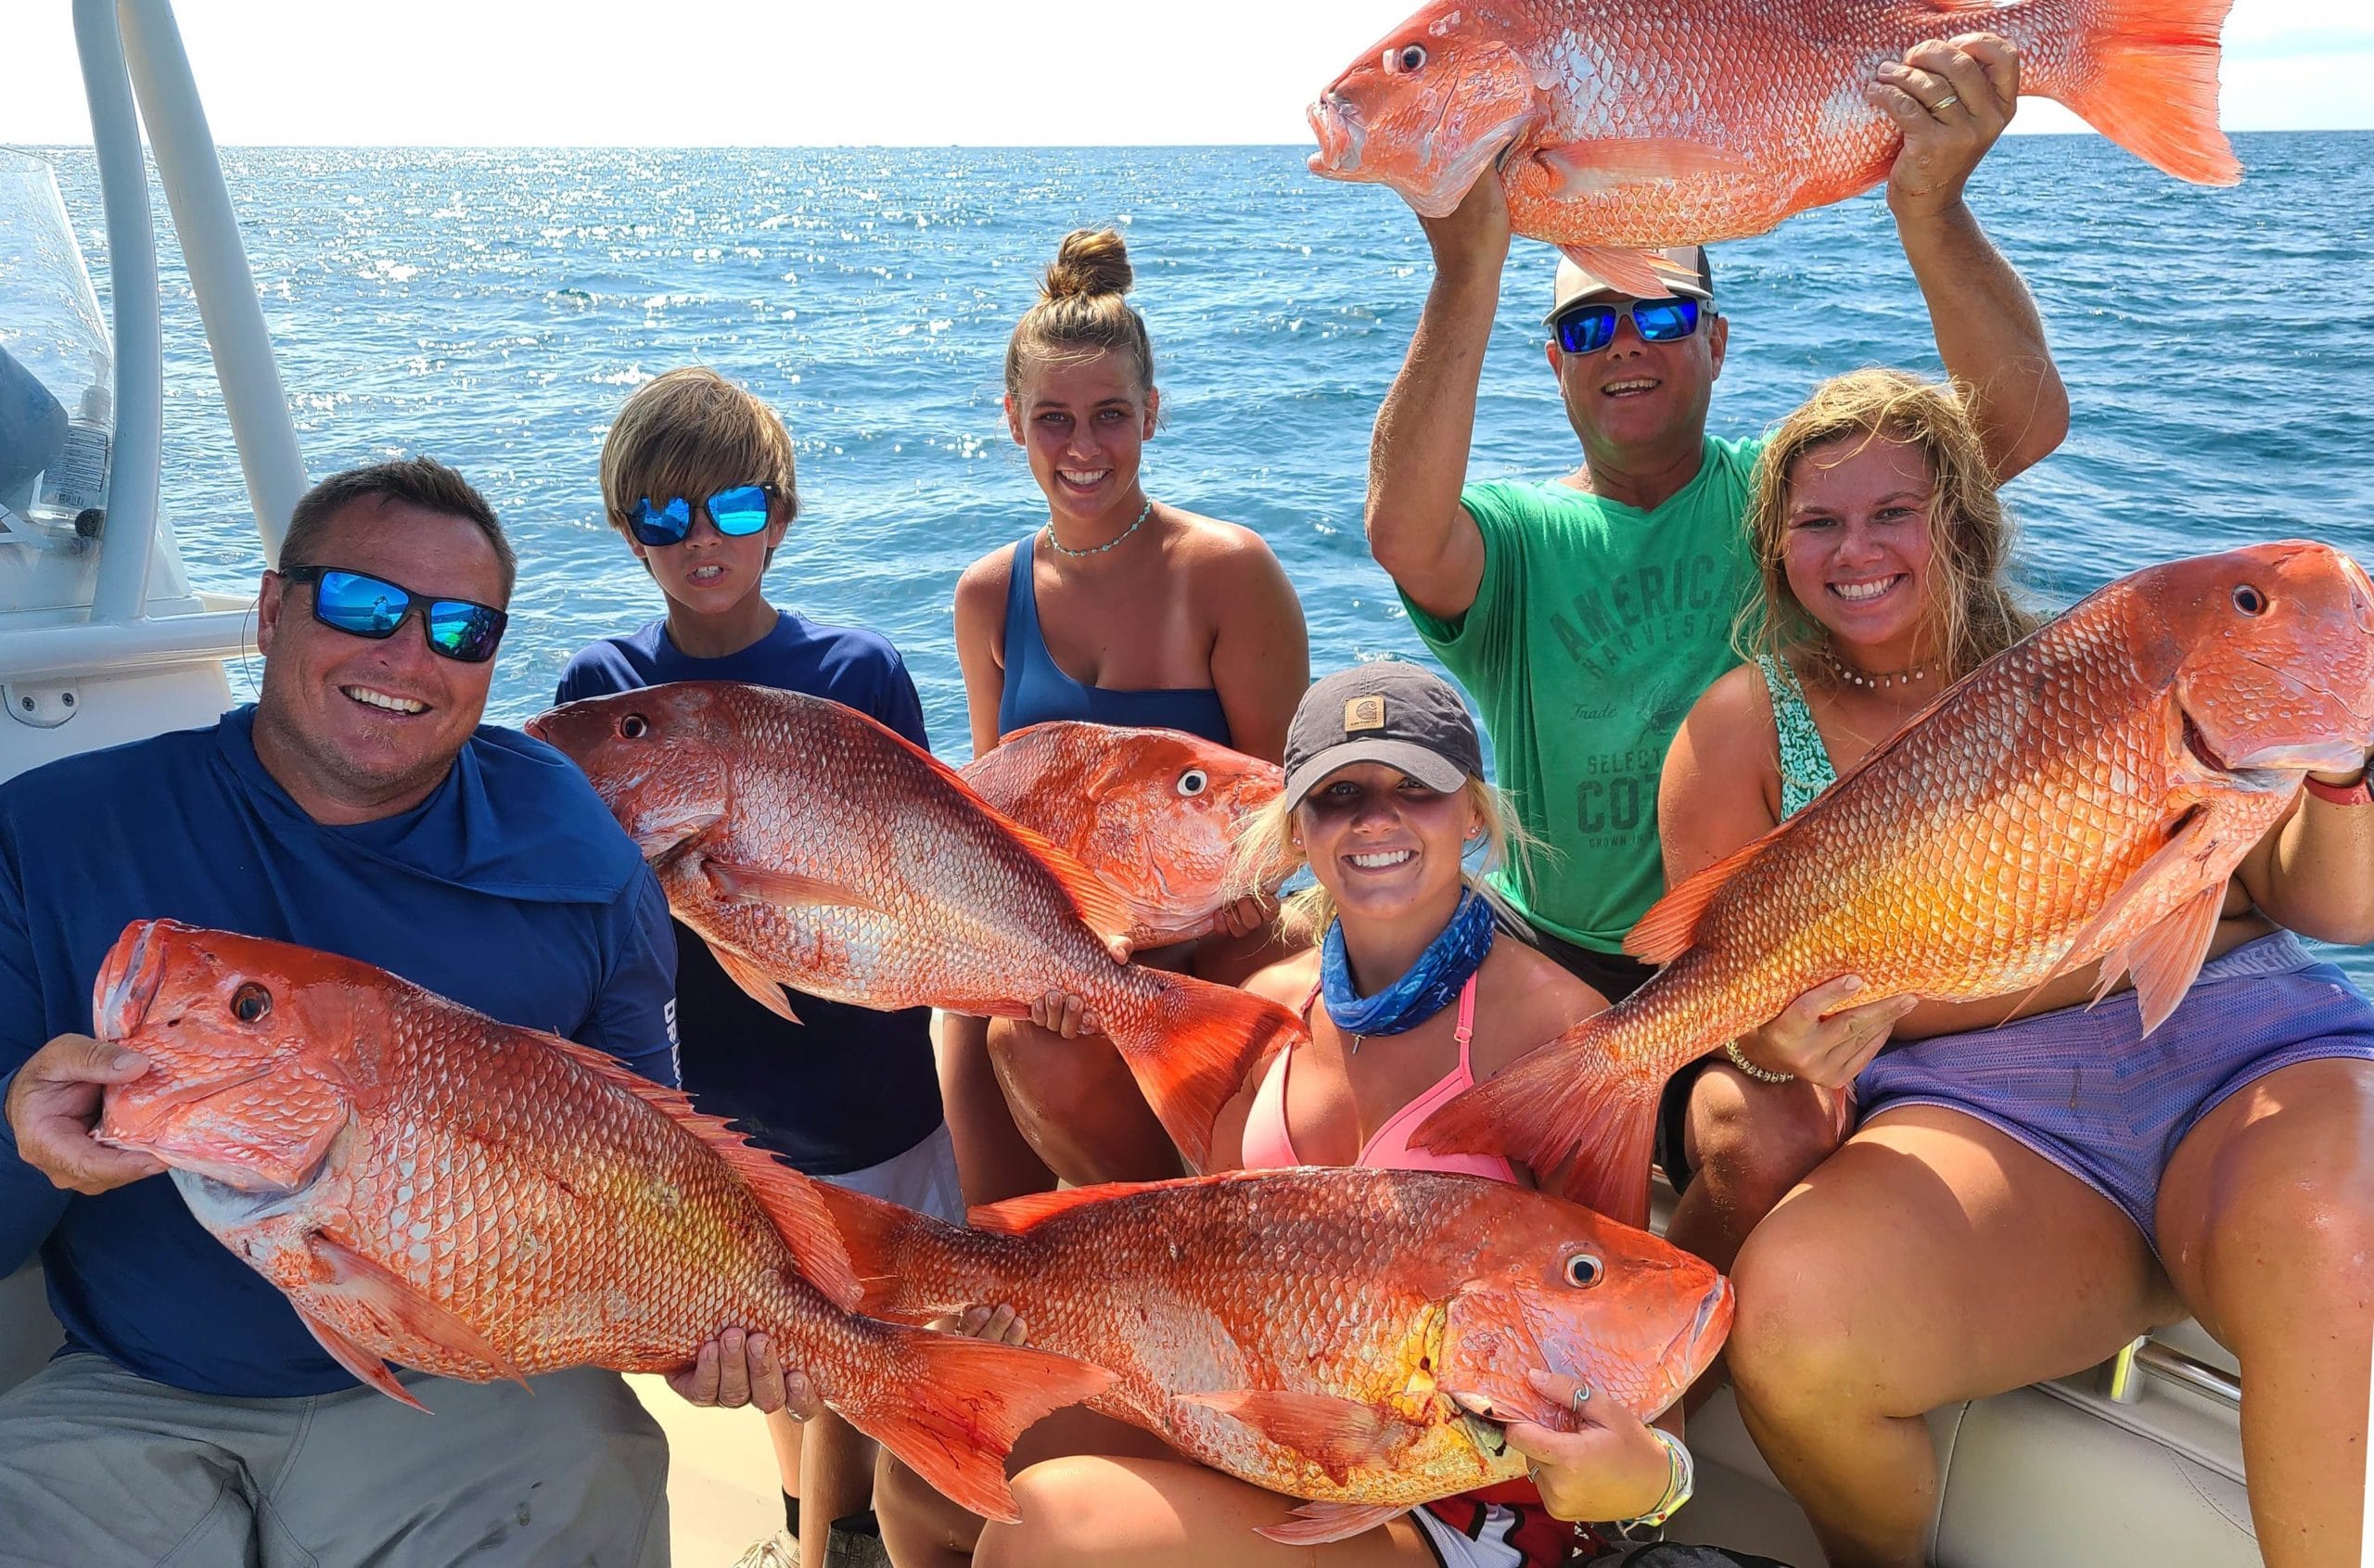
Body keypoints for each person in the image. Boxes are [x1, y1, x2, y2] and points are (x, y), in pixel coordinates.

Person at [1362, 32, 2072, 1275]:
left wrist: (1933, 201)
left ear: (1718, 342)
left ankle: (1666, 1351)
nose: (1626, 343)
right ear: (1556, 362)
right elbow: (1405, 532)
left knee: (1762, 1130)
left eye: (1660, 313)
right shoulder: (1522, 533)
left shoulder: (1789, 505)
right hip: (1551, 950)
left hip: (1759, 961)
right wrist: (1465, 265)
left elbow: (2011, 427)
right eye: (1589, 326)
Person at [1660, 370, 2374, 1568]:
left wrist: (2347, 764)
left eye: (1895, 510)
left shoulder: (2104, 661)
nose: (1856, 547)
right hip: (1986, 1116)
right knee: (1796, 1330)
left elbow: (2329, 901)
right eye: (1817, 520)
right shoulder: (1741, 726)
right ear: (1773, 548)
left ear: (1963, 525)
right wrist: (1763, 1045)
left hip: (2243, 1039)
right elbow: (1732, 978)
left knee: (2322, 1213)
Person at [876, 664, 1790, 1568]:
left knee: (1053, 1524)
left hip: (1460, 1503)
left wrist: (1647, 1479)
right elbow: (1209, 1258)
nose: (1376, 819)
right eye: (1338, 794)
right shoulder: (1263, 1011)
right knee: (920, 1468)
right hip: (1262, 1438)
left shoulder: (1561, 1034)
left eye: (1416, 789)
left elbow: (1623, 1323)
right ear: (1296, 829)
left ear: (1472, 812)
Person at [0, 458, 693, 1564]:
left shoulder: (578, 858)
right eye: (363, 603)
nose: (409, 655)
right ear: (271, 609)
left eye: (464, 631)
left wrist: (713, 1323)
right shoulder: (52, 835)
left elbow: (655, 1162)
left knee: (593, 1469)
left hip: (464, 1381)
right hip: (131, 1390)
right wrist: (24, 1140)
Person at [554, 367, 961, 1568]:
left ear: (777, 515)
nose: (702, 541)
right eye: (665, 518)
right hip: (713, 1082)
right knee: (781, 1337)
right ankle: (811, 1525)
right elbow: (593, 897)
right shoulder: (602, 689)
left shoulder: (862, 670)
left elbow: (920, 860)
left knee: (865, 1325)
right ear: (633, 536)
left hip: (865, 1066)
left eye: (729, 508)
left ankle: (845, 1531)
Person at [945, 226, 1309, 1196]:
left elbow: (1285, 812)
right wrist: (1078, 947)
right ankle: (1019, 1255)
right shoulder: (988, 595)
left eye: (1109, 414)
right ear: (1012, 420)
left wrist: (1178, 923)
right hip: (1080, 940)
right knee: (995, 1031)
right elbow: (1011, 821)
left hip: (1221, 924)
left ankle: (1188, 1227)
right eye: (1053, 419)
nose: (1083, 447)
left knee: (1282, 975)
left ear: (1152, 413)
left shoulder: (1228, 572)